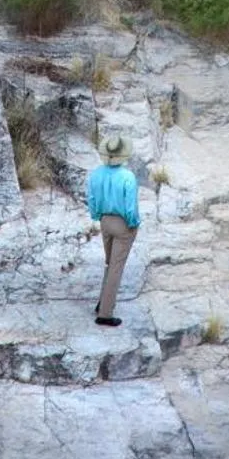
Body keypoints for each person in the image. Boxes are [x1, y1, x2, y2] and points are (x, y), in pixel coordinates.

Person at [87, 132, 140, 327]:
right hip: (122, 224)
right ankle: (105, 313)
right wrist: (133, 223)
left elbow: (92, 200)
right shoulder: (127, 176)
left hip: (105, 222)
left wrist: (96, 217)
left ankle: (103, 301)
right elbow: (130, 207)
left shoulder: (96, 174)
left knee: (110, 263)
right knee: (116, 267)